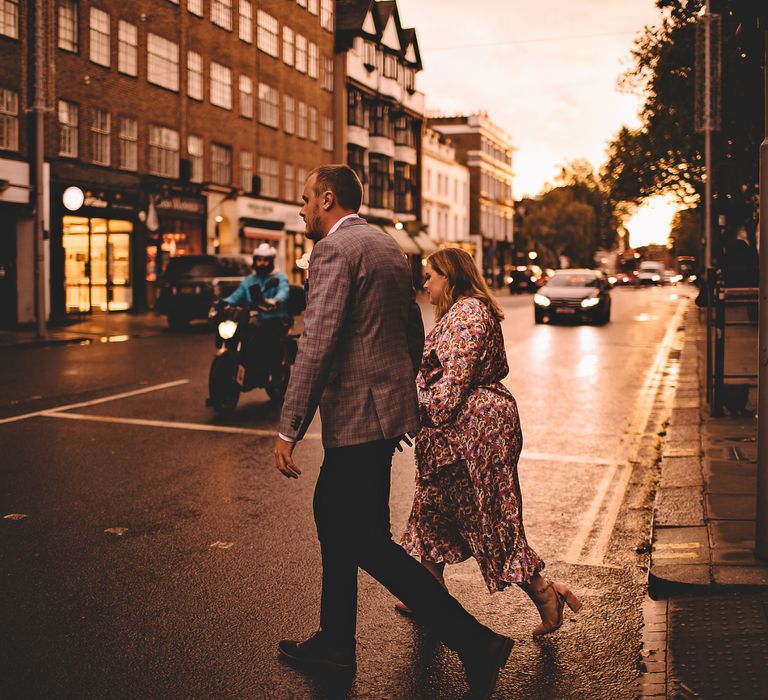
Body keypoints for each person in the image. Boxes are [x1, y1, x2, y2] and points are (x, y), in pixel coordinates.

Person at [273, 165, 515, 699]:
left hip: (358, 419)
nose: (302, 209)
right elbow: (412, 333)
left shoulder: (334, 251)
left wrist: (289, 427)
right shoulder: (386, 246)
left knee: (363, 539)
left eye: (306, 199)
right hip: (381, 419)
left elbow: (319, 343)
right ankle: (335, 642)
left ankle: (476, 643)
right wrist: (402, 405)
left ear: (328, 199)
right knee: (336, 523)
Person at [398, 247, 582, 638]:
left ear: (449, 276)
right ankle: (426, 594)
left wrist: (408, 413)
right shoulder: (456, 314)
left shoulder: (469, 313)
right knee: (432, 512)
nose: (424, 284)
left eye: (430, 276)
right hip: (453, 437)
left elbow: (447, 387)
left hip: (478, 434)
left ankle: (547, 593)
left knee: (493, 517)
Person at [224, 243, 290, 377]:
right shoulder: (249, 280)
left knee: (263, 339)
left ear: (271, 261)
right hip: (252, 319)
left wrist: (274, 300)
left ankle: (264, 372)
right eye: (259, 260)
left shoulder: (279, 278)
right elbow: (236, 296)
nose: (262, 263)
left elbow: (284, 291)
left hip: (274, 318)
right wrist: (223, 303)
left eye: (265, 260)